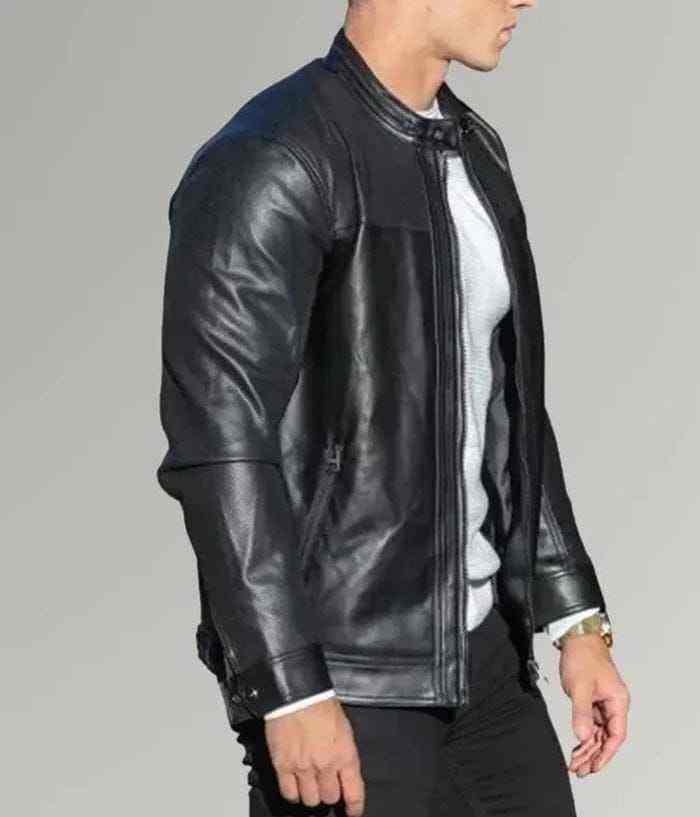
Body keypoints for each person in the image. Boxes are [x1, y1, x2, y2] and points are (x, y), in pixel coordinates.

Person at [156, 2, 631, 815]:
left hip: (484, 658)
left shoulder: (473, 150)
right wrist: (289, 684)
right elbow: (219, 447)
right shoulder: (273, 158)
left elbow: (509, 406)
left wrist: (577, 617)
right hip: (346, 676)